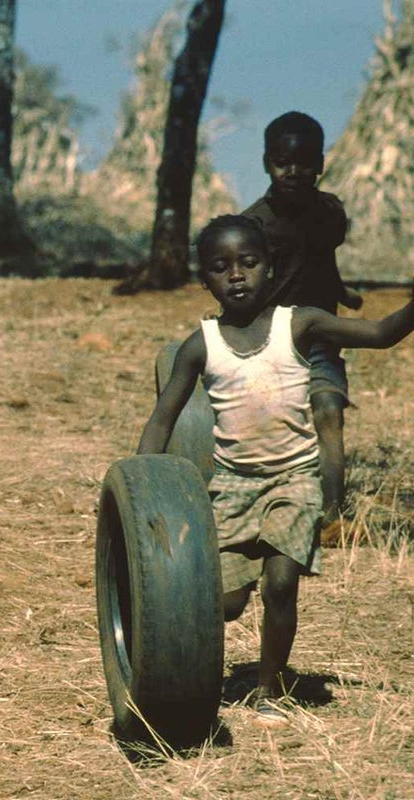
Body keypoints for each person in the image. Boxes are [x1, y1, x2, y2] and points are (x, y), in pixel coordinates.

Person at [139, 215, 414, 727]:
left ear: (271, 268)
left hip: (294, 480)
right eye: (221, 268)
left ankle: (269, 687)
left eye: (249, 263)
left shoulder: (300, 323)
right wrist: (142, 487)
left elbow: (378, 333)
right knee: (223, 604)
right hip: (233, 487)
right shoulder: (200, 346)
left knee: (281, 584)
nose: (237, 275)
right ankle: (207, 678)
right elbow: (162, 419)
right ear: (205, 280)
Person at [242, 111, 363, 534]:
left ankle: (332, 518)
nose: (293, 171)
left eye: (304, 162)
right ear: (266, 163)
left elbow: (320, 260)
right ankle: (263, 512)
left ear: (320, 164)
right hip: (268, 340)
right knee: (268, 426)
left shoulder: (329, 213)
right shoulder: (253, 225)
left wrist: (342, 292)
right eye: (281, 162)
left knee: (329, 410)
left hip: (318, 336)